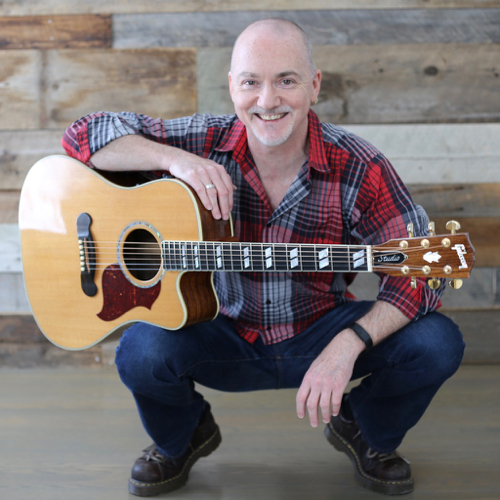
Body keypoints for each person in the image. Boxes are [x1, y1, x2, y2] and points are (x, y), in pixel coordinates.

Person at [62, 18, 465, 497]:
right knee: (141, 351)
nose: (267, 101)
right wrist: (175, 160)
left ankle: (365, 429)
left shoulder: (359, 164)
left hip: (322, 333)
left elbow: (422, 277)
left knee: (437, 341)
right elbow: (82, 136)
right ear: (232, 87)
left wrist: (351, 341)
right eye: (251, 82)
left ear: (314, 85)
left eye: (286, 81)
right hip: (220, 331)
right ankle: (183, 437)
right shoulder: (199, 140)